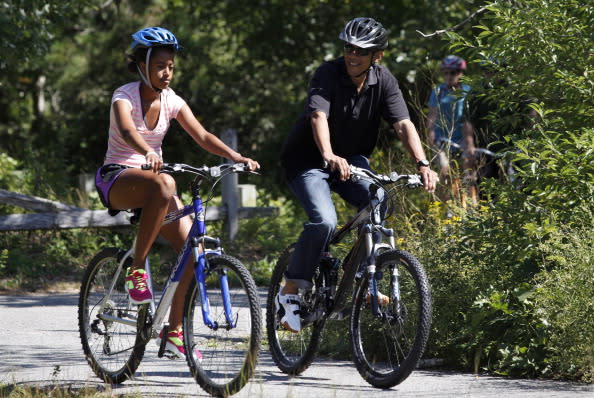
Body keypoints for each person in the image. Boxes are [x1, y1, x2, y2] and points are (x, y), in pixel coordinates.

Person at [94, 27, 259, 358]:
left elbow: (202, 134)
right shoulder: (123, 96)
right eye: (160, 66)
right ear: (142, 64)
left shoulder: (172, 100)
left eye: (171, 66)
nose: (167, 73)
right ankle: (137, 270)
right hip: (118, 178)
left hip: (155, 184)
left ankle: (174, 332)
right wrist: (147, 151)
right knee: (166, 182)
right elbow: (126, 130)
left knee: (191, 249)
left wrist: (235, 157)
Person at [278, 17, 437, 333]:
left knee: (378, 200)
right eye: (349, 48)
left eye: (361, 51)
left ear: (377, 56)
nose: (352, 55)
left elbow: (403, 125)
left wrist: (422, 163)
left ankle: (363, 278)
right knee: (324, 221)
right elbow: (318, 115)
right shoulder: (328, 73)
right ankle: (290, 292)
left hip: (351, 161)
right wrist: (327, 154)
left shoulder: (385, 81)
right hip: (308, 159)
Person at [426, 55, 475, 203]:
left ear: (460, 73)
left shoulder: (468, 91)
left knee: (468, 172)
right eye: (445, 73)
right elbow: (432, 116)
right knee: (444, 170)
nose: (448, 76)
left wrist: (469, 143)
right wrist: (431, 135)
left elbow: (468, 119)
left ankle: (469, 204)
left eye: (452, 72)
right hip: (442, 139)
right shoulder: (438, 91)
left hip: (461, 138)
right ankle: (444, 205)